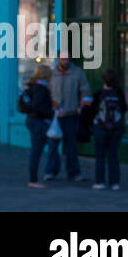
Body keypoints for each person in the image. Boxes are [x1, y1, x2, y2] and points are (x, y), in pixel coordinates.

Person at [45, 53, 91, 182]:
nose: (65, 61)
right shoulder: (51, 74)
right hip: (55, 116)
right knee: (53, 146)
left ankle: (74, 173)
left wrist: (81, 106)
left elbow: (85, 91)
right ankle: (51, 171)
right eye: (63, 59)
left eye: (67, 59)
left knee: (72, 146)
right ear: (58, 58)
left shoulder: (78, 73)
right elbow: (46, 92)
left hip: (71, 115)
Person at [89, 68, 127, 191]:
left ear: (103, 80)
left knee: (100, 155)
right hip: (117, 128)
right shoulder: (119, 92)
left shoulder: (99, 93)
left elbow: (92, 110)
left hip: (100, 127)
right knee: (113, 155)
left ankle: (100, 182)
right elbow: (124, 108)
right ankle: (115, 183)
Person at [18, 65, 55, 189]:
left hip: (32, 120)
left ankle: (34, 179)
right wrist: (50, 113)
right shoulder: (41, 88)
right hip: (38, 122)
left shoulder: (33, 86)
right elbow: (38, 106)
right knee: (36, 152)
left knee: (36, 151)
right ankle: (33, 180)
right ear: (46, 76)